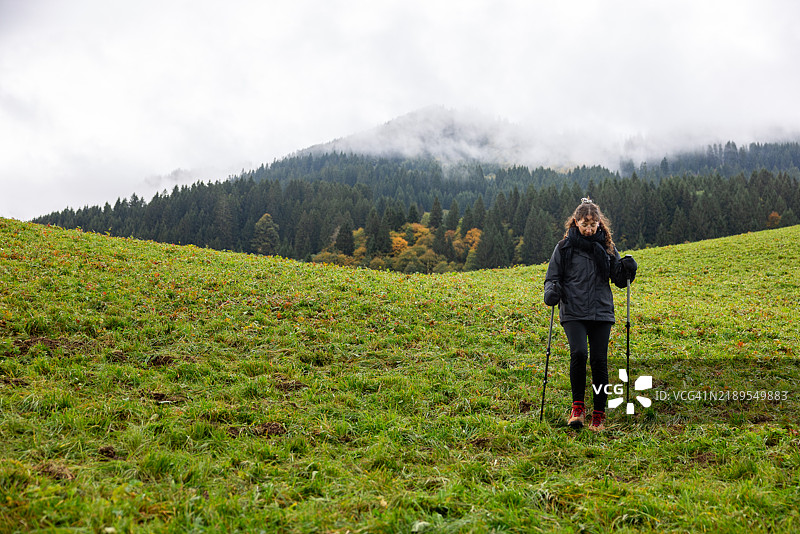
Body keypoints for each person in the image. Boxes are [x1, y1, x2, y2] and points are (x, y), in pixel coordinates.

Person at [543, 198, 637, 431]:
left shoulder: (607, 247)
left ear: (599, 223)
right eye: (585, 224)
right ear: (576, 222)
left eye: (593, 225)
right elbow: (552, 277)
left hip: (601, 310)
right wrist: (552, 291)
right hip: (573, 309)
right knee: (578, 353)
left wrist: (627, 269)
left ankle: (599, 414)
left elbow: (618, 280)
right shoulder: (564, 247)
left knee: (598, 361)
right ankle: (577, 409)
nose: (589, 229)